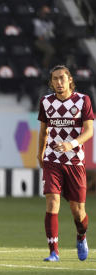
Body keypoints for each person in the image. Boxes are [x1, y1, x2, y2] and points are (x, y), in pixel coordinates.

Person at [37, 65, 93, 262]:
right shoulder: (45, 102)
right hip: (52, 159)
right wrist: (40, 153)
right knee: (52, 201)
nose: (59, 82)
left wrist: (72, 144)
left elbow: (89, 131)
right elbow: (44, 131)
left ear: (70, 79)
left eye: (62, 78)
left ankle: (81, 236)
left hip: (75, 161)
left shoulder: (82, 100)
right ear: (51, 83)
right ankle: (54, 251)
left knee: (78, 213)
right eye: (55, 79)